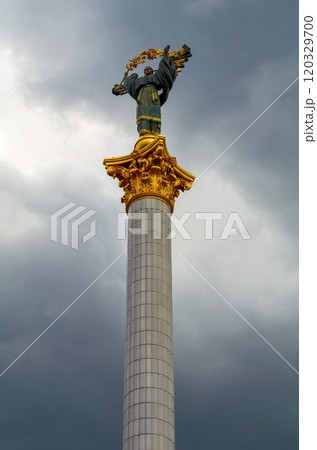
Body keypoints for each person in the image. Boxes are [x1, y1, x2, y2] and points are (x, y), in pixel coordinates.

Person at [113, 46, 178, 136]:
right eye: (145, 69)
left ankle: (155, 131)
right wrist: (117, 89)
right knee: (143, 112)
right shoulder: (138, 81)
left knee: (154, 112)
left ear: (152, 71)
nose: (147, 70)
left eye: (149, 69)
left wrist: (166, 56)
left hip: (153, 96)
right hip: (142, 96)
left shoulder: (156, 77)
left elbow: (164, 71)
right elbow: (127, 87)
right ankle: (144, 130)